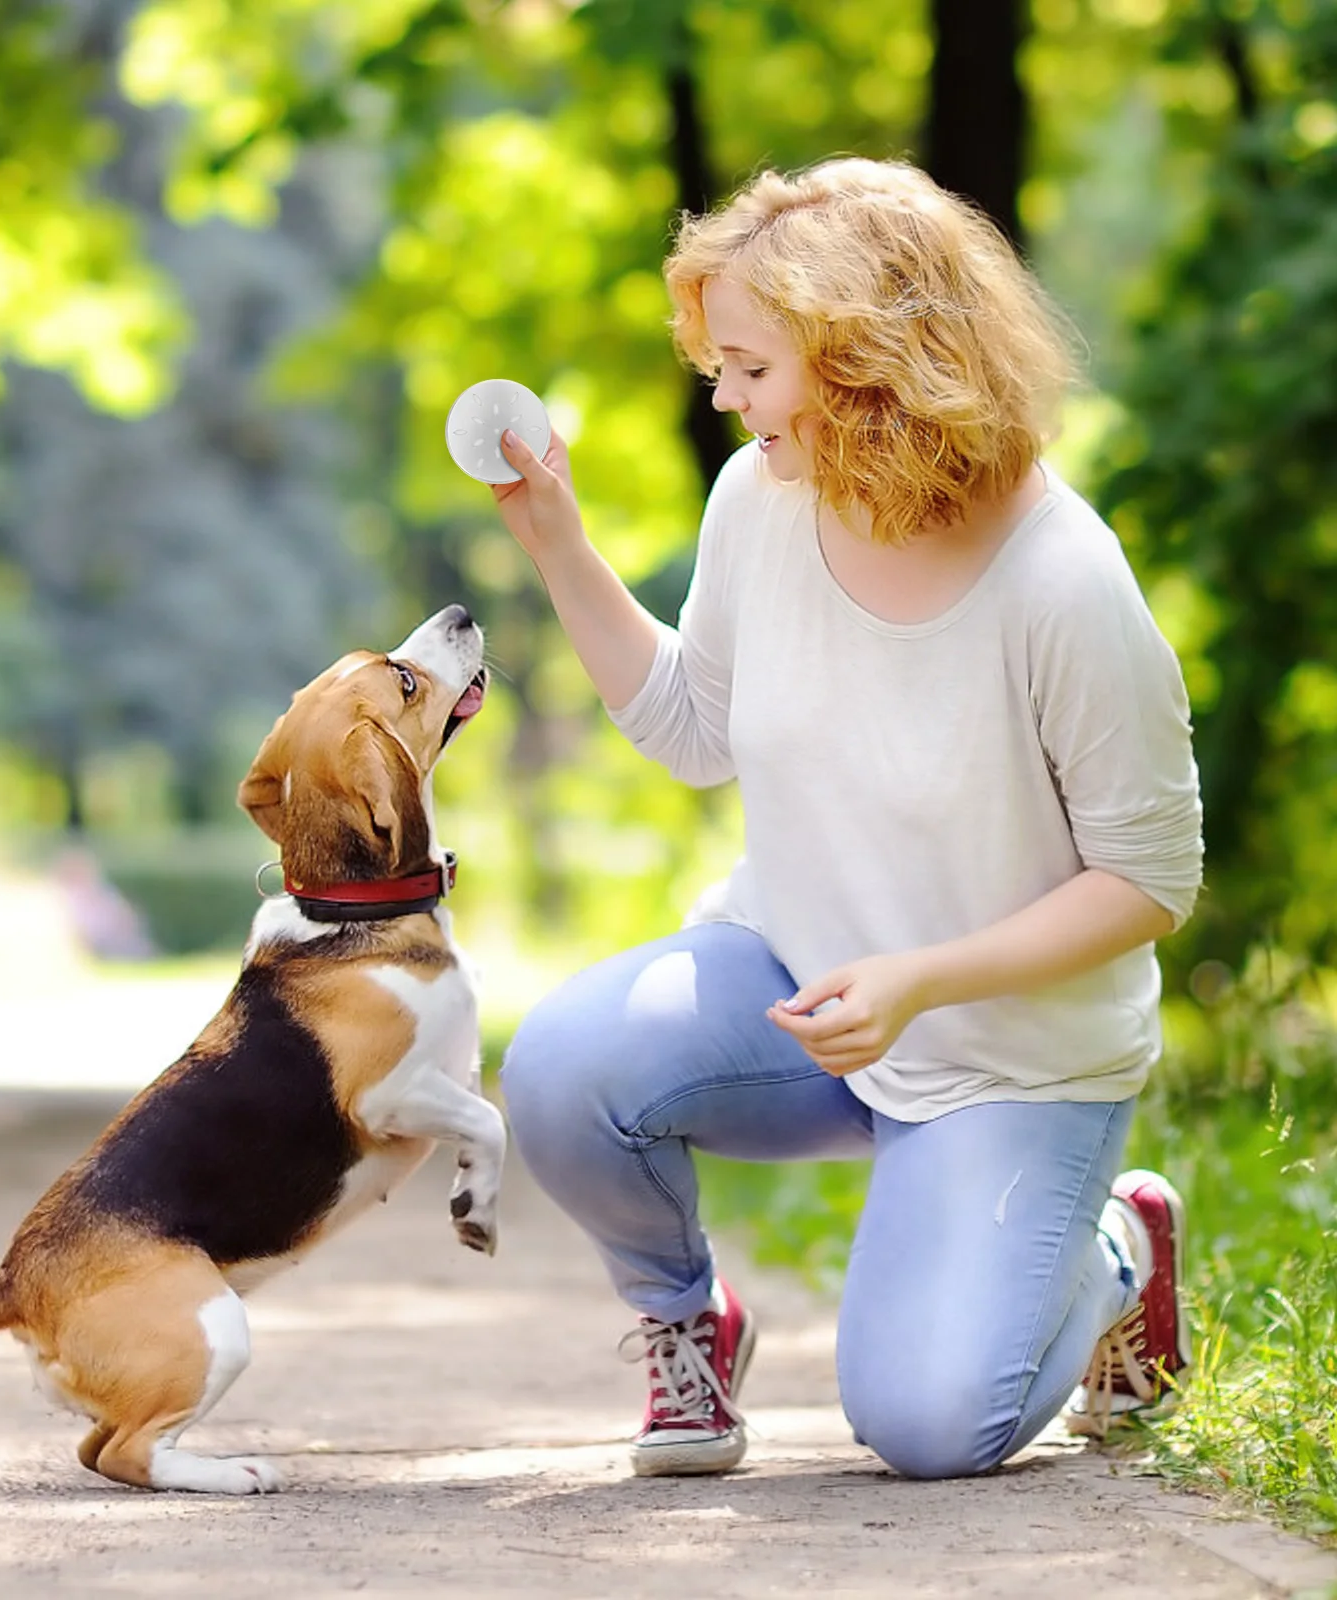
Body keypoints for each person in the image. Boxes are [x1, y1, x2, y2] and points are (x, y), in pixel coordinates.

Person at [489, 157, 1204, 1481]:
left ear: (865, 359)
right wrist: (556, 544)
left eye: (749, 366)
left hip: (1008, 1051)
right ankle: (685, 1326)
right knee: (563, 1070)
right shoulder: (762, 502)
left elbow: (1150, 880)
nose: (721, 394)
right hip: (797, 984)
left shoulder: (1063, 581)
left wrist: (925, 980)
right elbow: (694, 729)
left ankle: (1116, 1250)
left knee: (931, 1429)